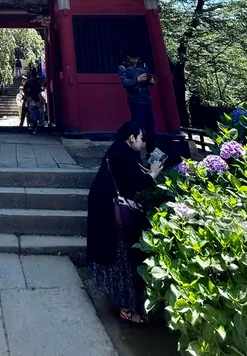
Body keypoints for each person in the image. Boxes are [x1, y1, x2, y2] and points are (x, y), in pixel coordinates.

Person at [87, 121, 164, 324]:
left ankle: (122, 302)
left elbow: (129, 176)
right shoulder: (126, 152)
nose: (142, 141)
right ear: (132, 138)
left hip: (104, 208)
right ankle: (127, 309)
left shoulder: (118, 149)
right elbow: (136, 181)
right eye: (141, 137)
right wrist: (153, 175)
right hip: (113, 213)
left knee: (117, 260)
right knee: (125, 261)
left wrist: (146, 172)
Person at [118, 52, 156, 154]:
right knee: (137, 129)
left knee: (151, 129)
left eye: (136, 57)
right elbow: (125, 82)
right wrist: (137, 79)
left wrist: (151, 81)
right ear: (128, 57)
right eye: (133, 57)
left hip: (147, 99)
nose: (135, 60)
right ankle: (135, 154)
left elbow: (150, 81)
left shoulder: (143, 65)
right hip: (135, 100)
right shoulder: (123, 67)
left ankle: (151, 155)